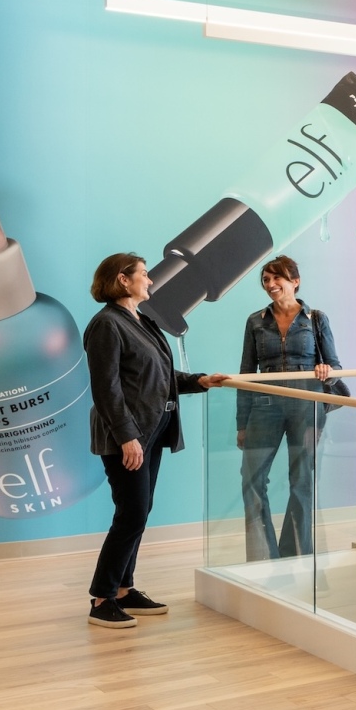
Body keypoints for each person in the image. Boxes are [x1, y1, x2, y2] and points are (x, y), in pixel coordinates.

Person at [84, 253, 228, 629]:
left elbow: (159, 375)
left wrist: (198, 381)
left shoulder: (143, 322)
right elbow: (106, 388)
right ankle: (102, 597)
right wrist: (126, 437)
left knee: (140, 511)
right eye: (144, 275)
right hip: (128, 435)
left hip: (153, 431)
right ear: (123, 280)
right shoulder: (105, 325)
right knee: (131, 512)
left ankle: (123, 589)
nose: (150, 281)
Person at [237, 255, 340, 562]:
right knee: (251, 479)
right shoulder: (255, 321)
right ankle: (263, 557)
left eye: (276, 278)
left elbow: (335, 364)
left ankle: (297, 556)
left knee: (303, 479)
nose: (270, 285)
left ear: (295, 281)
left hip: (306, 406)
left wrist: (325, 369)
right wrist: (241, 422)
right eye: (265, 280)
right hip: (264, 405)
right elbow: (245, 372)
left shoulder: (317, 319)